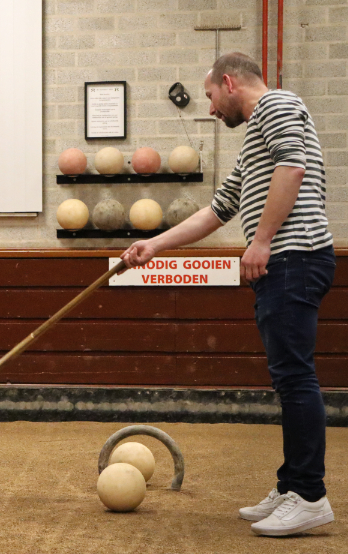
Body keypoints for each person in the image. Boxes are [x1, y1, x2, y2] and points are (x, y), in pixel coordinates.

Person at [121, 52, 335, 537]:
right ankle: (291, 486)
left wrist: (260, 241)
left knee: (295, 379)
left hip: (294, 258)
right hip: (282, 263)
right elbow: (217, 212)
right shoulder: (254, 139)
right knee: (288, 379)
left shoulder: (277, 105)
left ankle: (309, 496)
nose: (212, 110)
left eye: (213, 97)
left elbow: (294, 168)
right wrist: (154, 245)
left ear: (230, 82)